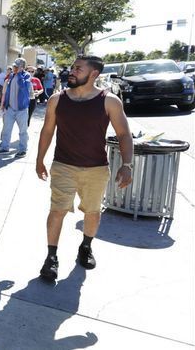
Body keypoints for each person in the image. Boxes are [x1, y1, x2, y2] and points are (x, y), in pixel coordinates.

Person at [35, 56, 133, 280]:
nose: (72, 71)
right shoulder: (57, 99)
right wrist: (40, 159)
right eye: (72, 68)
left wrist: (127, 165)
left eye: (78, 69)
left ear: (94, 74)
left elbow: (124, 134)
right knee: (57, 210)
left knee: (92, 212)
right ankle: (51, 257)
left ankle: (86, 247)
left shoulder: (109, 101)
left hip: (96, 168)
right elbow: (48, 131)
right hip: (63, 166)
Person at [0, 58, 32, 158]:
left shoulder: (26, 76)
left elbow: (23, 87)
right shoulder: (12, 75)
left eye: (16, 66)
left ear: (22, 67)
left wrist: (20, 73)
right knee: (6, 129)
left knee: (22, 131)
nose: (14, 68)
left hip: (22, 109)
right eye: (14, 66)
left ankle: (22, 150)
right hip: (10, 108)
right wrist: (4, 103)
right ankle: (5, 147)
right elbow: (8, 91)